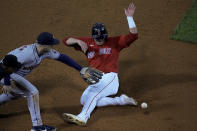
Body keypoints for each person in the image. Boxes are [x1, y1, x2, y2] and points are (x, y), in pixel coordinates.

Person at [0, 32, 102, 131]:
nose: (53, 46)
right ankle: (37, 127)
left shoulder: (45, 51)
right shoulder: (26, 54)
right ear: (45, 45)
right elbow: (5, 65)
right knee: (32, 92)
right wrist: (7, 82)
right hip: (5, 73)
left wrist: (80, 69)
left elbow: (62, 57)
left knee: (16, 94)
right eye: (51, 44)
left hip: (13, 74)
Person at [62, 3, 139, 126]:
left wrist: (129, 17)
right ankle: (121, 100)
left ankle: (82, 117)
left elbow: (134, 35)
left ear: (105, 35)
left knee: (93, 95)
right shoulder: (87, 42)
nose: (99, 40)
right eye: (97, 39)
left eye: (101, 38)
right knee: (84, 100)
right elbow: (65, 40)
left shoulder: (115, 42)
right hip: (96, 79)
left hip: (110, 78)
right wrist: (77, 41)